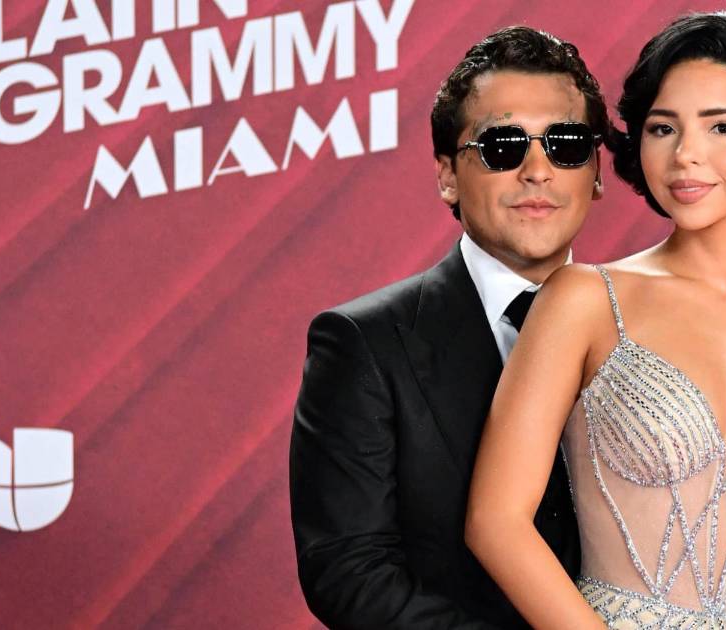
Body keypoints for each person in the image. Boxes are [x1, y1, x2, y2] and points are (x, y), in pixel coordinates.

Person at [465, 11, 726, 630]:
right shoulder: (585, 301)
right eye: (663, 128)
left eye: (722, 127)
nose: (686, 155)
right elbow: (496, 522)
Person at [288, 26, 605, 628]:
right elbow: (349, 570)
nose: (537, 170)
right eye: (503, 146)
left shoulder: (652, 324)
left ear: (595, 172)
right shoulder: (363, 342)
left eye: (565, 144)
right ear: (447, 176)